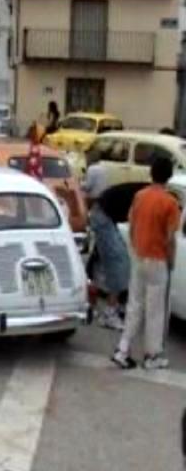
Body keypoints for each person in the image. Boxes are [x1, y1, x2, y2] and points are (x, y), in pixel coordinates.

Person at [112, 157, 180, 370]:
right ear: (168, 176)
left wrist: (135, 248)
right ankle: (152, 355)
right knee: (155, 309)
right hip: (158, 259)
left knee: (135, 305)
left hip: (139, 255)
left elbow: (132, 225)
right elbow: (170, 238)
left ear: (151, 173)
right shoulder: (170, 203)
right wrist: (171, 261)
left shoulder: (140, 196)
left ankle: (123, 349)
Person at [83, 145, 130, 330]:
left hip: (102, 211)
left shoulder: (94, 169)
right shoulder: (148, 197)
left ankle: (92, 304)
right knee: (118, 263)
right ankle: (110, 312)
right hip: (103, 215)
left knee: (100, 260)